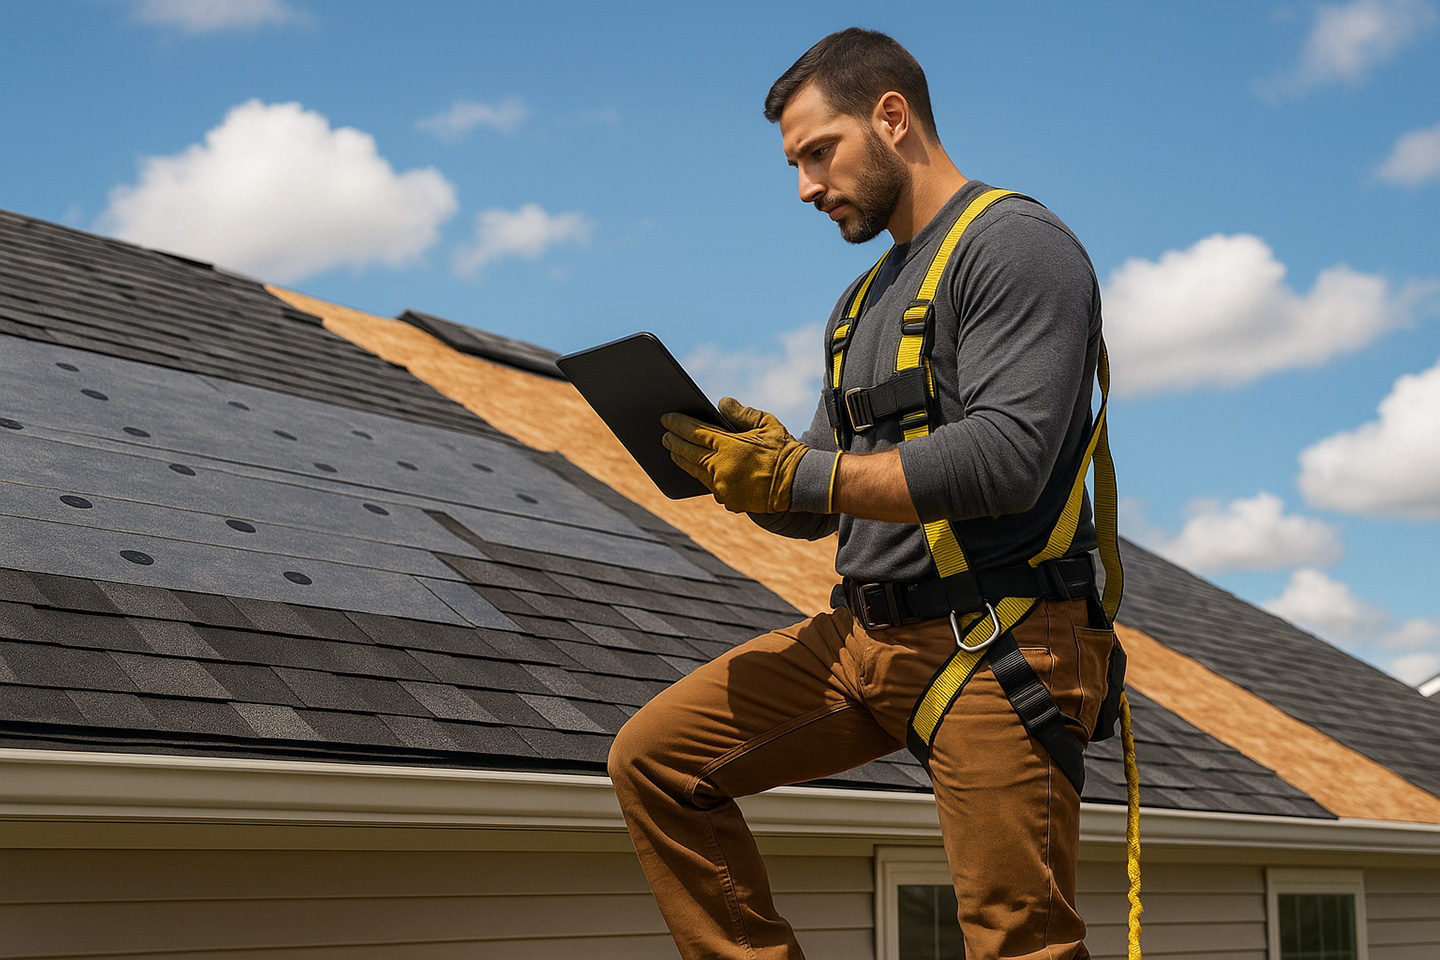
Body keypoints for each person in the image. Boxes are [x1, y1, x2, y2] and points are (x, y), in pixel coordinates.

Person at [608, 27, 1119, 960]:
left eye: (817, 152)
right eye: (796, 163)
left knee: (1019, 941)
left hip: (995, 643)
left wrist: (797, 471)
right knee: (656, 760)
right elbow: (818, 499)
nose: (805, 186)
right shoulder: (862, 300)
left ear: (892, 116)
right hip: (860, 640)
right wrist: (745, 467)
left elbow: (1007, 461)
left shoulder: (1016, 247)